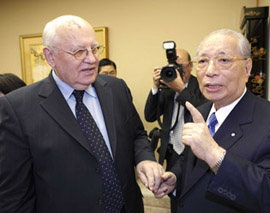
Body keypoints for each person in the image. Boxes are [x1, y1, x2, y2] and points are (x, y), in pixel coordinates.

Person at [0, 15, 164, 213]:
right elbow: (14, 195)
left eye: (94, 49)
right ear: (50, 56)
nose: (92, 59)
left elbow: (137, 134)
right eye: (79, 52)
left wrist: (145, 159)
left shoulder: (116, 88)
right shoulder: (17, 107)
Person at [154, 29, 270, 212]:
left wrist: (215, 155)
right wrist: (175, 177)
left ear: (247, 68)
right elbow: (188, 159)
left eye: (224, 60)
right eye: (203, 61)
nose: (210, 71)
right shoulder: (200, 112)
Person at [144, 49, 206, 212]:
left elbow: (203, 113)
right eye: (173, 66)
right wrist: (156, 88)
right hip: (172, 152)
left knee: (193, 196)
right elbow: (150, 116)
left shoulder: (201, 84)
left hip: (195, 153)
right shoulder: (167, 85)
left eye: (181, 66)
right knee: (174, 196)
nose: (177, 70)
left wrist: (181, 90)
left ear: (191, 66)